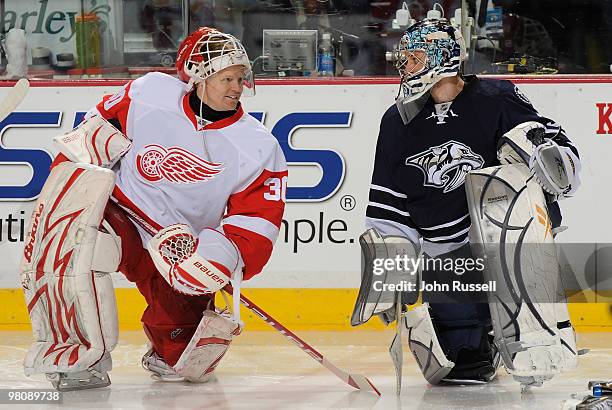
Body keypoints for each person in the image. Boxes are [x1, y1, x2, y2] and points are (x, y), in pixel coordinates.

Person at [20, 27, 287, 389]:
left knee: (186, 364)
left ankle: (168, 347)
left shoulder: (257, 146)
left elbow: (255, 220)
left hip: (181, 249)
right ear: (197, 76)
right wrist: (63, 188)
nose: (237, 88)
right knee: (74, 245)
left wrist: (216, 257)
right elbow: (92, 136)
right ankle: (79, 356)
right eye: (227, 78)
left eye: (241, 78)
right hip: (121, 219)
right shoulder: (149, 94)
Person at [355, 14, 582, 386]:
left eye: (414, 58)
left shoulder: (499, 98)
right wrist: (388, 274)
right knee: (462, 367)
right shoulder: (396, 122)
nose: (406, 67)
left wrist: (541, 155)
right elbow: (390, 206)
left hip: (504, 242)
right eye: (406, 59)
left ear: (442, 57)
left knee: (512, 180)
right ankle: (485, 335)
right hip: (446, 254)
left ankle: (533, 330)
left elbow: (561, 164)